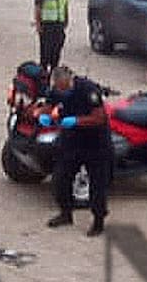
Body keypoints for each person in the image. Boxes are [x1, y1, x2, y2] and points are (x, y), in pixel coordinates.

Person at [44, 66, 113, 236]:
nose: (62, 92)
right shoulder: (56, 90)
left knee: (97, 184)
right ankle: (65, 213)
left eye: (65, 88)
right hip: (72, 140)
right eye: (59, 88)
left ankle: (98, 221)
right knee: (61, 178)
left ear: (70, 81)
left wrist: (76, 121)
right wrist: (43, 115)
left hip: (95, 142)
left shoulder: (88, 90)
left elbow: (99, 117)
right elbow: (49, 106)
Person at [33, 0, 69, 77]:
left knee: (56, 54)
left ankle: (54, 75)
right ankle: (43, 77)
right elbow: (38, 9)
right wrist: (38, 24)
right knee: (45, 55)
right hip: (46, 26)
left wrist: (66, 21)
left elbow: (65, 6)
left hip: (59, 26)